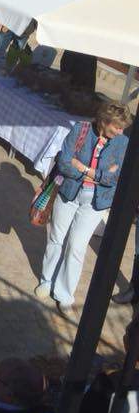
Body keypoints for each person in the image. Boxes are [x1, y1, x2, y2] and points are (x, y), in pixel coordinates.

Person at [35, 102, 133, 315]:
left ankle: (64, 294)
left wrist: (86, 169)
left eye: (122, 127)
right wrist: (98, 174)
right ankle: (46, 280)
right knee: (56, 238)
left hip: (95, 202)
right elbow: (64, 163)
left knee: (77, 247)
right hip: (69, 193)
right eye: (117, 127)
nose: (120, 131)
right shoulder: (80, 129)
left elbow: (115, 177)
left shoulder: (123, 143)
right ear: (104, 122)